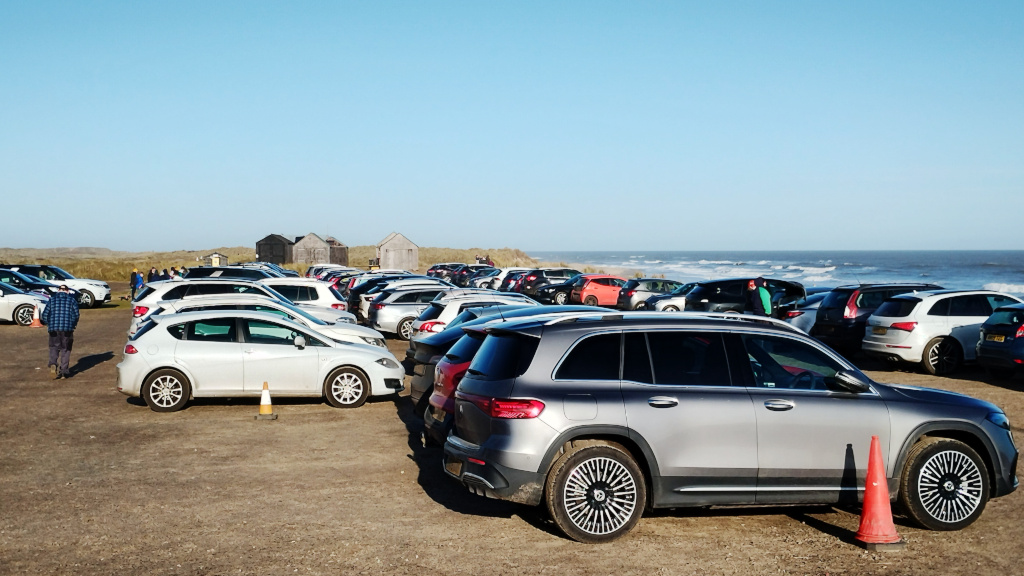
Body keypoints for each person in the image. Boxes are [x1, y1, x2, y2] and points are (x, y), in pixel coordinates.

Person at [41, 284, 80, 380]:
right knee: (66, 349)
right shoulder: (72, 301)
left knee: (54, 347)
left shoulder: (52, 300)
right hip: (67, 329)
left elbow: (45, 315)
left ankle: (53, 363)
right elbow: (76, 315)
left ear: (58, 290)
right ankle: (64, 371)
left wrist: (49, 324)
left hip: (53, 328)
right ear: (67, 291)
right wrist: (73, 324)